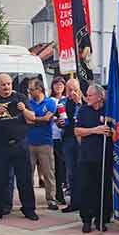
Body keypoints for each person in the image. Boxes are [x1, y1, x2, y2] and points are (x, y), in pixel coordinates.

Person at [0, 73, 39, 222]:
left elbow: (32, 117)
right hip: (0, 147)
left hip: (20, 145)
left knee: (25, 180)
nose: (6, 87)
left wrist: (24, 109)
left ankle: (29, 209)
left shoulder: (20, 97)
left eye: (8, 84)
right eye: (3, 85)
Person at [74, 83, 113, 233]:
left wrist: (110, 131)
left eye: (90, 95)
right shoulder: (83, 110)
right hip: (86, 157)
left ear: (99, 97)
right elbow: (77, 131)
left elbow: (116, 129)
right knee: (86, 189)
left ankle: (101, 219)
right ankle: (86, 220)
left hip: (104, 156)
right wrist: (95, 130)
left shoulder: (108, 110)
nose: (87, 98)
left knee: (102, 189)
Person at [26, 79, 58, 211]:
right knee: (28, 173)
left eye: (31, 89)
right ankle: (29, 201)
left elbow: (47, 119)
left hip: (45, 142)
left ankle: (51, 199)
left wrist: (34, 118)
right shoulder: (28, 103)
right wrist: (39, 119)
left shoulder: (50, 102)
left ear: (39, 90)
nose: (29, 92)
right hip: (29, 142)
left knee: (48, 172)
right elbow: (27, 120)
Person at [59, 78, 83, 213]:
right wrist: (59, 123)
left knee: (82, 171)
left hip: (82, 140)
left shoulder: (84, 101)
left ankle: (84, 202)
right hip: (68, 139)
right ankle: (74, 202)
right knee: (71, 172)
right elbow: (60, 120)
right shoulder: (63, 102)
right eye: (69, 90)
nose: (72, 92)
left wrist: (79, 102)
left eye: (75, 89)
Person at [50, 76, 67, 206]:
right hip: (53, 137)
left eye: (61, 84)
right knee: (55, 168)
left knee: (64, 167)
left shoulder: (67, 100)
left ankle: (65, 191)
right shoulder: (49, 100)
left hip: (65, 138)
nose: (58, 86)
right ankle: (58, 194)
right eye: (56, 84)